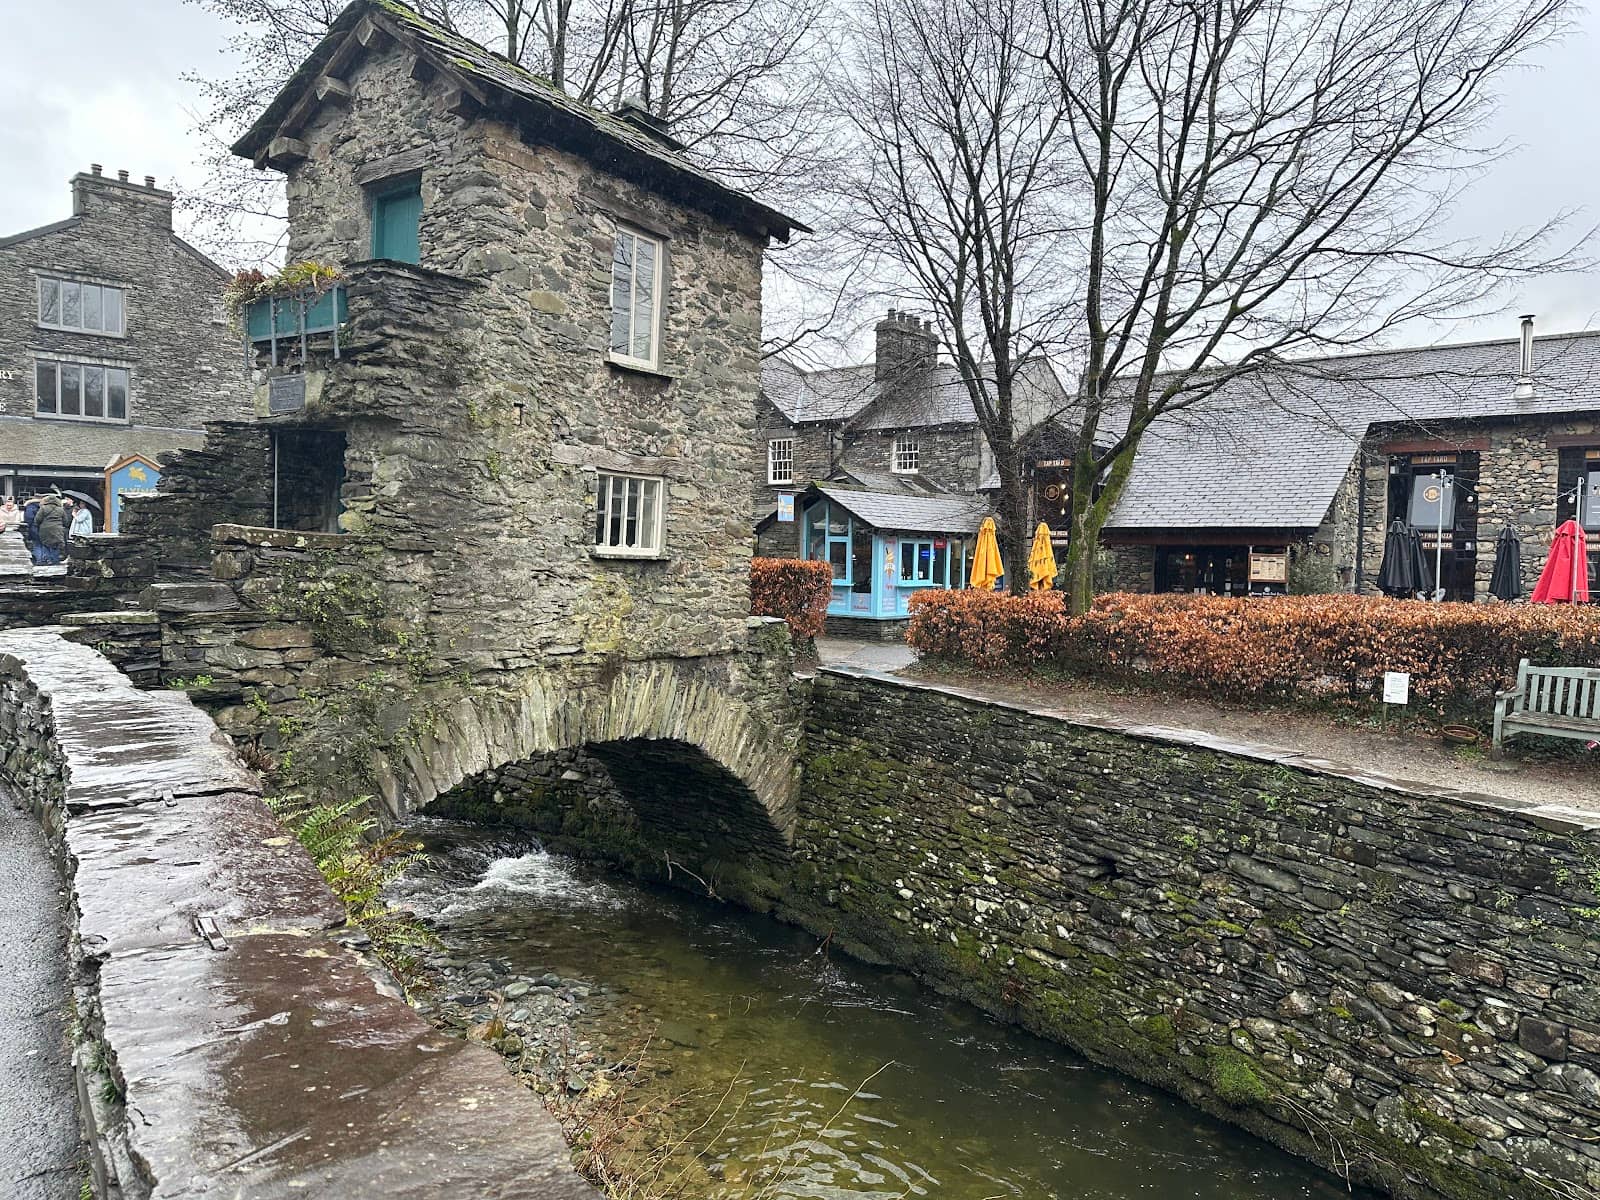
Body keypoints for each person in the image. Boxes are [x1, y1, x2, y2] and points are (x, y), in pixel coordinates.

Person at [33, 492, 68, 565]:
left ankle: (48, 560)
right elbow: (65, 521)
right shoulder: (61, 509)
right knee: (56, 545)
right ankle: (55, 561)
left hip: (45, 529)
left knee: (46, 544)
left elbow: (37, 519)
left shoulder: (43, 508)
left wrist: (37, 526)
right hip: (57, 529)